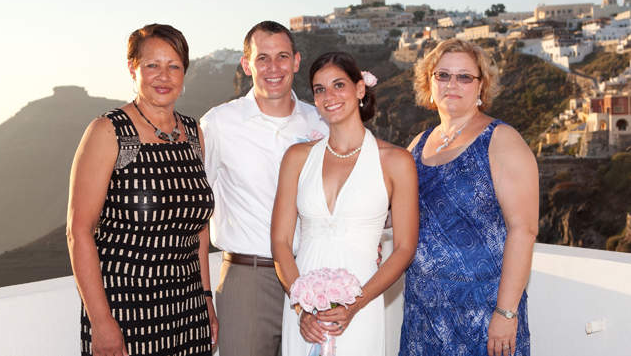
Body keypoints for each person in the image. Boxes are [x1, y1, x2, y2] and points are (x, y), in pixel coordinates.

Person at [67, 24, 217, 356]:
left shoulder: (194, 133)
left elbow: (199, 231)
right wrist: (102, 323)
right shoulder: (108, 131)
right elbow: (79, 231)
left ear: (184, 73)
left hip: (188, 309)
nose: (163, 76)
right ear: (133, 68)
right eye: (153, 65)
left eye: (174, 66)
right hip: (127, 310)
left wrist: (207, 300)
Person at [271, 52, 419, 355]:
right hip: (303, 305)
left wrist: (357, 303)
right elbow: (281, 241)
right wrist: (301, 306)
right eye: (320, 89)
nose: (329, 96)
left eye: (339, 85)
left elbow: (405, 247)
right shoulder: (297, 158)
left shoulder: (396, 161)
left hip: (361, 303)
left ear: (360, 89)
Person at [399, 38, 538, 356]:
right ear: (429, 82)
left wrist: (505, 313)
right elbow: (395, 212)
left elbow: (524, 229)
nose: (452, 84)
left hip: (483, 313)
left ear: (481, 86)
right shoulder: (418, 144)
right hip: (424, 313)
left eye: (464, 76)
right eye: (443, 75)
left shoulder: (501, 139)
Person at [200, 21, 329, 355]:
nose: (274, 68)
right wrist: (203, 294)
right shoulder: (217, 124)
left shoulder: (321, 122)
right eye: (263, 58)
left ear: (297, 62)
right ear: (247, 65)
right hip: (247, 280)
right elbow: (196, 211)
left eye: (282, 56)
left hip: (313, 276)